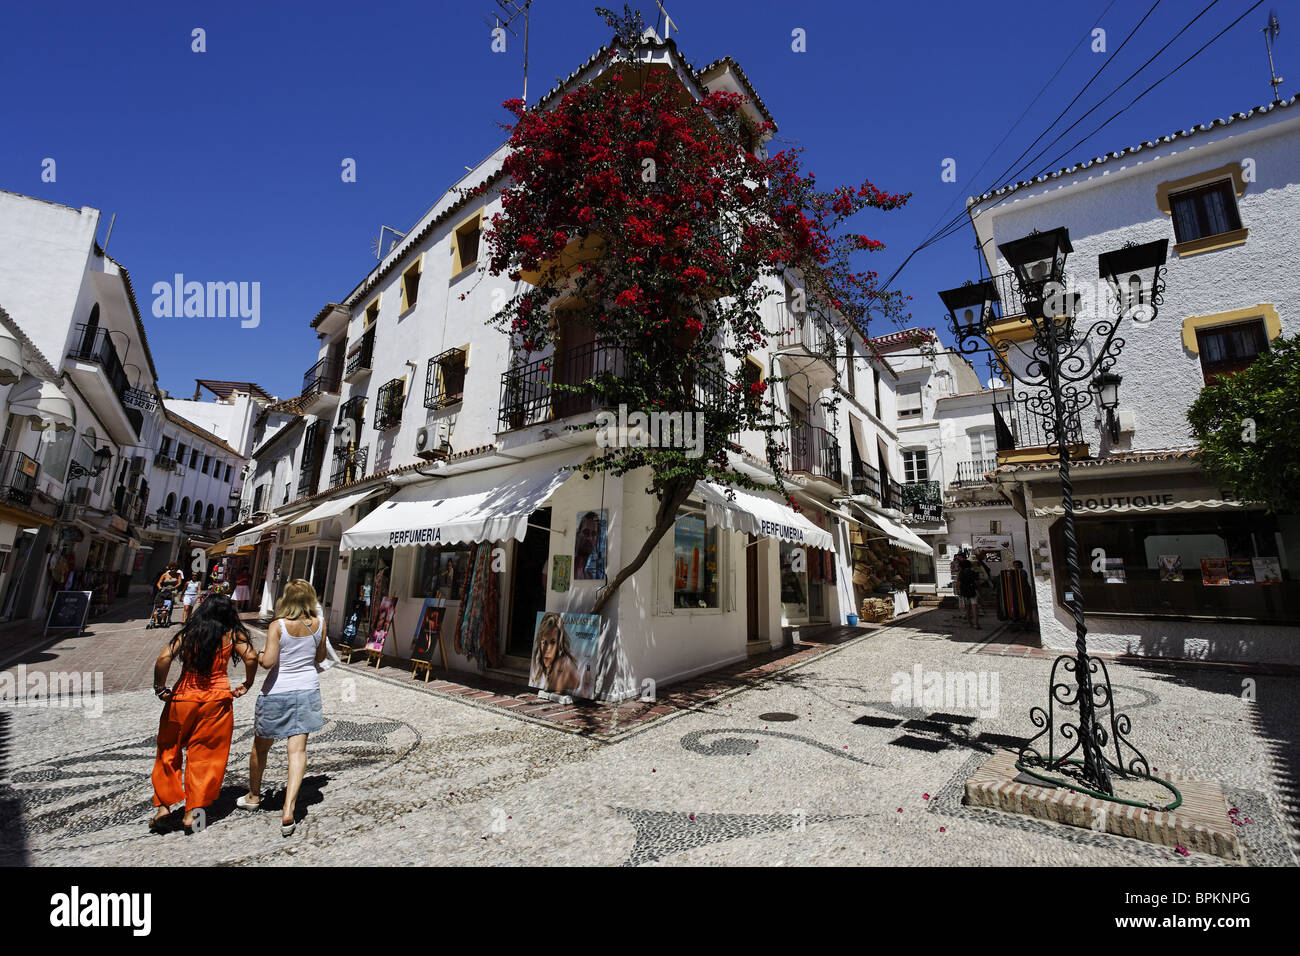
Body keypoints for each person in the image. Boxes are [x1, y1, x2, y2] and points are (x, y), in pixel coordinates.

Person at [150, 595, 257, 834]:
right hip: (216, 700)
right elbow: (251, 656)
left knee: (168, 749)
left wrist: (160, 687)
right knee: (205, 755)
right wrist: (247, 683)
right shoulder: (231, 633)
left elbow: (164, 658)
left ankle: (163, 807)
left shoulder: (189, 633)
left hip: (183, 697)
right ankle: (192, 811)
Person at [239, 578, 327, 836]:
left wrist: (257, 653)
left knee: (261, 747)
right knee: (297, 751)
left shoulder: (278, 625)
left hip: (278, 691)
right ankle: (288, 809)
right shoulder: (320, 624)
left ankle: (254, 795)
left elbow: (268, 662)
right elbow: (320, 658)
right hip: (308, 689)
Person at [531, 612, 580, 694]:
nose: (547, 649)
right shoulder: (539, 669)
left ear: (559, 644)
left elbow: (575, 683)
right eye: (544, 642)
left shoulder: (566, 665)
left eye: (553, 642)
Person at [574, 512, 604, 579]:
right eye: (586, 532)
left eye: (593, 534)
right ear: (578, 534)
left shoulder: (589, 576)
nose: (589, 538)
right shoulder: (572, 568)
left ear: (597, 540)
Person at [957, 559, 981, 629]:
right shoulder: (973, 572)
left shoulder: (961, 573)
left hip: (964, 591)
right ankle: (976, 624)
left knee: (967, 608)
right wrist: (980, 591)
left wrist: (959, 591)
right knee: (974, 607)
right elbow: (977, 583)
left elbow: (958, 583)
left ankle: (969, 623)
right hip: (973, 591)